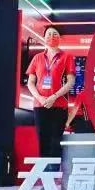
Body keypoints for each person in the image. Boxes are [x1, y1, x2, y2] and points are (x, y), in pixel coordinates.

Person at [26, 26, 75, 163]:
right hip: (40, 105)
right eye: (48, 34)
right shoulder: (37, 58)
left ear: (59, 38)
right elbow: (30, 83)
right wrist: (40, 98)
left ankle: (55, 172)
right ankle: (45, 171)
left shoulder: (67, 57)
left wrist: (54, 96)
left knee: (55, 141)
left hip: (59, 105)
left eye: (55, 34)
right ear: (44, 37)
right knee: (43, 140)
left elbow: (70, 82)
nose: (51, 36)